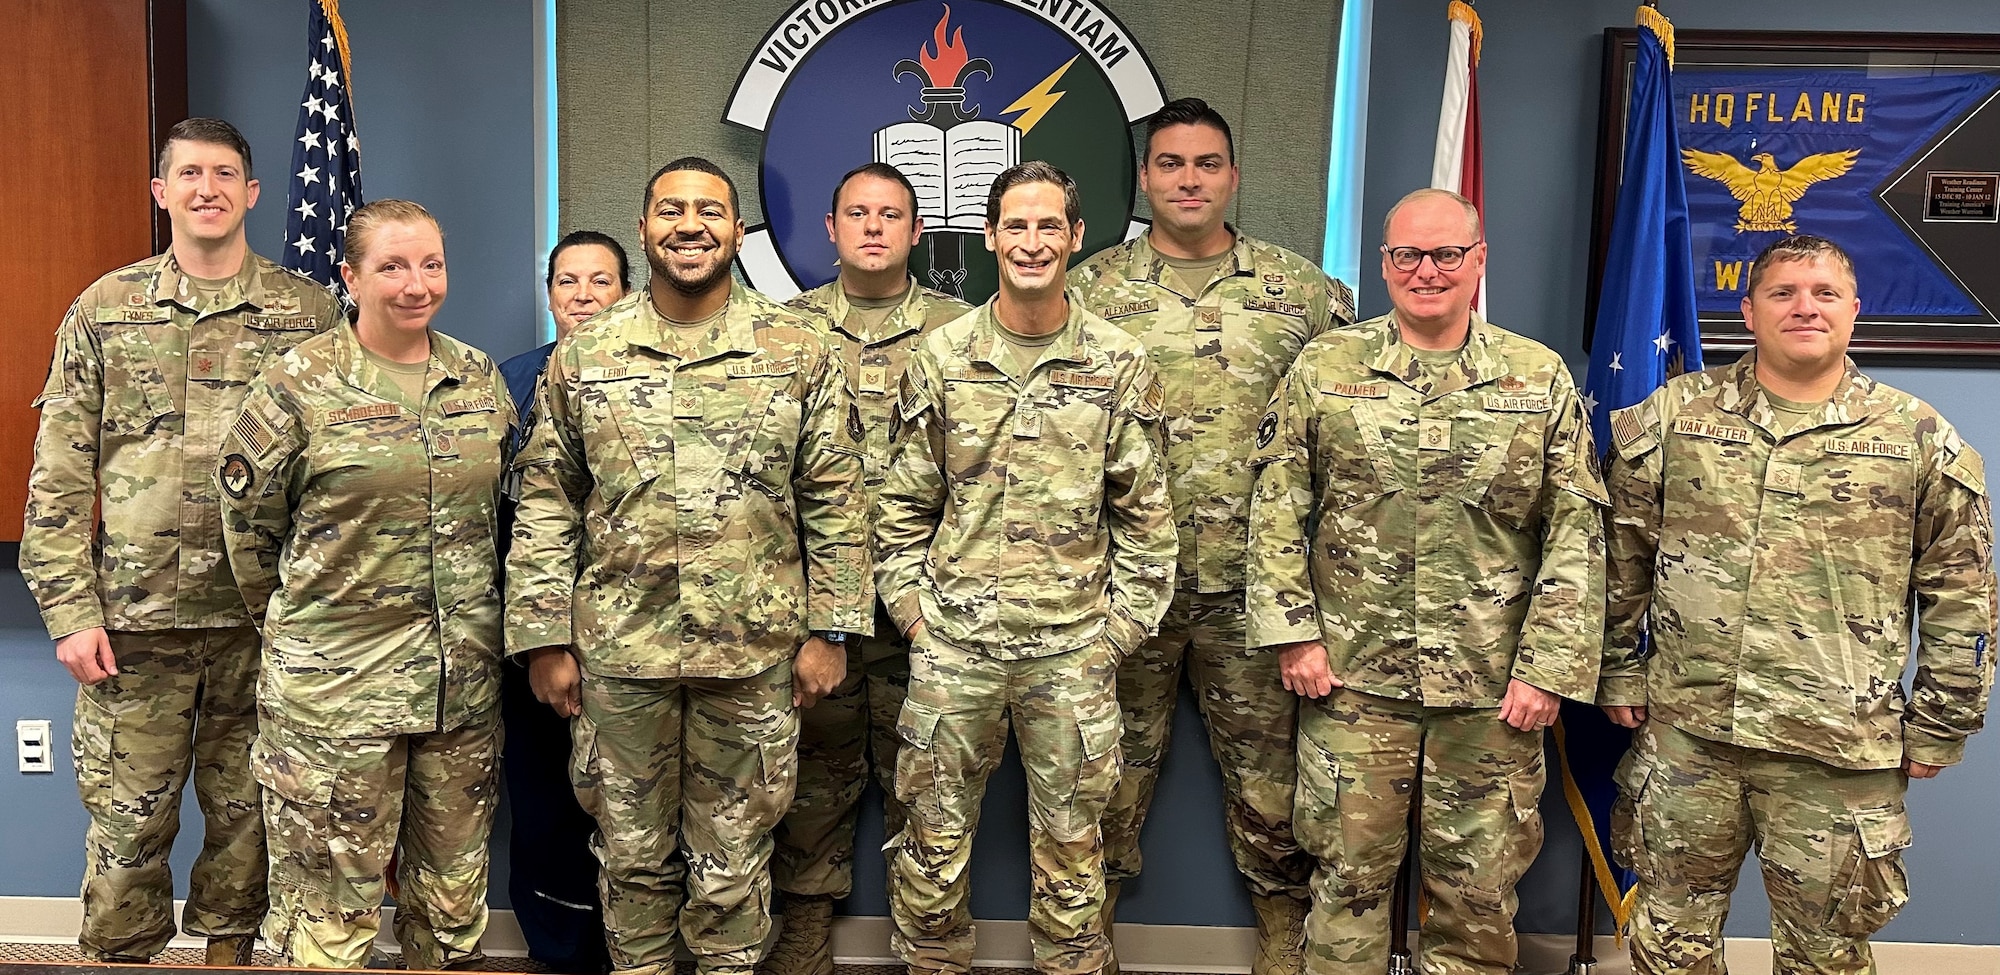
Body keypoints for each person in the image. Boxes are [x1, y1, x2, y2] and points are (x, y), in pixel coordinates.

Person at [506, 157, 872, 975]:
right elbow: (547, 501)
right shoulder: (590, 353)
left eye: (710, 210)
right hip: (620, 658)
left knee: (735, 863)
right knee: (630, 862)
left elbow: (837, 500)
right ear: (644, 230)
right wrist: (542, 639)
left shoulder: (797, 348)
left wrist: (833, 631)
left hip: (753, 657)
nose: (690, 224)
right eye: (670, 209)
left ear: (737, 231)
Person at [1601, 234, 1996, 975]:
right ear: (1748, 311)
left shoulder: (1916, 436)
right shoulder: (1676, 416)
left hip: (1836, 750)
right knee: (1668, 943)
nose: (1803, 306)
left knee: (1826, 957)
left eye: (1822, 293)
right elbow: (1620, 551)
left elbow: (1961, 592)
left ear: (1854, 309)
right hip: (1690, 736)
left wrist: (1943, 720)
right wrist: (1618, 667)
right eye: (1783, 292)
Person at [1247, 187, 1607, 974]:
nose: (1427, 270)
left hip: (1491, 691)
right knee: (1345, 886)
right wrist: (1294, 633)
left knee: (1476, 900)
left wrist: (1548, 669)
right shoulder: (1326, 367)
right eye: (1408, 254)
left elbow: (1576, 533)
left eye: (1447, 253)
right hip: (1350, 679)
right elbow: (1276, 503)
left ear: (1479, 260)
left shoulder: (1535, 376)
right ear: (1384, 265)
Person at [21, 117, 339, 966]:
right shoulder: (105, 308)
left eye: (226, 173)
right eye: (190, 174)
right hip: (134, 622)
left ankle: (229, 959)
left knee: (250, 823)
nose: (208, 189)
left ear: (252, 193)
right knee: (128, 827)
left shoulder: (307, 315)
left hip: (259, 619)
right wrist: (66, 611)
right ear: (162, 192)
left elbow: (335, 472)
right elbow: (58, 474)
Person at [1066, 97, 1354, 975]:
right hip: (1119, 587)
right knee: (1098, 778)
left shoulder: (1300, 291)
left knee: (1273, 789)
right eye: (1170, 164)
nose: (1188, 180)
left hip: (1258, 590)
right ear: (1145, 177)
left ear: (1232, 175)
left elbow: (1343, 435)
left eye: (1206, 164)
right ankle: (1086, 945)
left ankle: (1283, 948)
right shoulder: (1089, 289)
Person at [876, 160, 1177, 975]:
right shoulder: (943, 357)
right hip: (953, 652)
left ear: (1077, 238)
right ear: (989, 236)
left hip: (1072, 653)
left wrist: (1111, 639)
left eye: (1050, 226)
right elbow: (899, 507)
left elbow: (1148, 523)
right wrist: (915, 617)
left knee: (1077, 857)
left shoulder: (1118, 362)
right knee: (931, 852)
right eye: (1017, 225)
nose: (1033, 242)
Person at [218, 199, 512, 969]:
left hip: (461, 692)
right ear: (349, 276)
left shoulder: (476, 377)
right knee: (327, 924)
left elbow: (503, 517)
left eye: (431, 263)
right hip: (336, 699)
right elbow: (249, 531)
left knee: (450, 916)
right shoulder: (297, 386)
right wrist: (314, 633)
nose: (417, 284)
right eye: (392, 266)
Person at [762, 163, 971, 975]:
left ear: (918, 232)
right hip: (818, 604)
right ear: (831, 227)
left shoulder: (963, 331)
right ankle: (807, 932)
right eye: (859, 212)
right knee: (811, 777)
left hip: (932, 602)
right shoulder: (783, 331)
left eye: (892, 214)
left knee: (932, 783)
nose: (874, 227)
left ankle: (932, 946)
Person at [497, 229, 632, 974]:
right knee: (547, 796)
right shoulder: (509, 383)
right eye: (568, 283)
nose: (583, 296)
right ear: (549, 296)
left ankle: (633, 943)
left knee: (631, 804)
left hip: (634, 631)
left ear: (627, 290)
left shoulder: (655, 376)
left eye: (600, 281)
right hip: (538, 630)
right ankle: (557, 945)